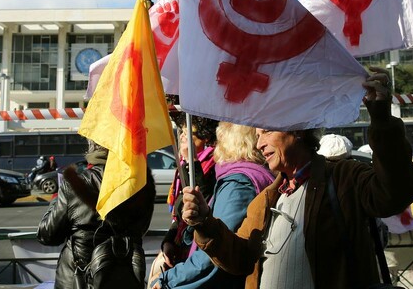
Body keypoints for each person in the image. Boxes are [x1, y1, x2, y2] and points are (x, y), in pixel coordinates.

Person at [180, 66, 413, 289]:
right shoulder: (267, 199)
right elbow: (240, 259)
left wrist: (382, 119)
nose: (260, 143)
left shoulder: (344, 177)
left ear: (296, 128)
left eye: (267, 131)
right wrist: (204, 223)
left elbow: (395, 193)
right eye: (257, 135)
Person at [151, 122, 275, 288]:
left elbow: (213, 254)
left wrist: (166, 281)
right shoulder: (240, 176)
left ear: (232, 141)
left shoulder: (238, 183)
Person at [37, 139, 156, 289]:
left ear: (92, 146)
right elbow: (142, 229)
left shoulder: (77, 183)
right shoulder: (142, 183)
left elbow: (47, 235)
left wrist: (57, 200)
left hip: (78, 280)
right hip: (125, 278)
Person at [149, 116, 219, 284]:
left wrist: (192, 161)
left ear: (205, 137)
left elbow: (203, 202)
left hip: (199, 250)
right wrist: (168, 242)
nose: (182, 136)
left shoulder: (215, 163)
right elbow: (180, 216)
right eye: (181, 131)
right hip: (181, 244)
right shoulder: (182, 164)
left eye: (188, 132)